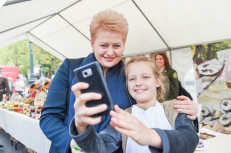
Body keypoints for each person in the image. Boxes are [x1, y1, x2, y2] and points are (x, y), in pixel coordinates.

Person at [40, 10, 198, 153]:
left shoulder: (129, 76)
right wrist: (72, 143)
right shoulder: (70, 68)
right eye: (103, 45)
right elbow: (49, 117)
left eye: (117, 45)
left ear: (124, 45)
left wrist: (188, 110)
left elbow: (151, 106)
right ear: (92, 43)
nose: (110, 52)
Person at [69, 56, 199, 153]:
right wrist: (82, 128)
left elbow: (189, 138)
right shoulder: (124, 116)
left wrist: (150, 136)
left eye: (145, 77)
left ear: (158, 81)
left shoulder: (176, 108)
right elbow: (102, 145)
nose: (138, 83)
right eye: (132, 79)